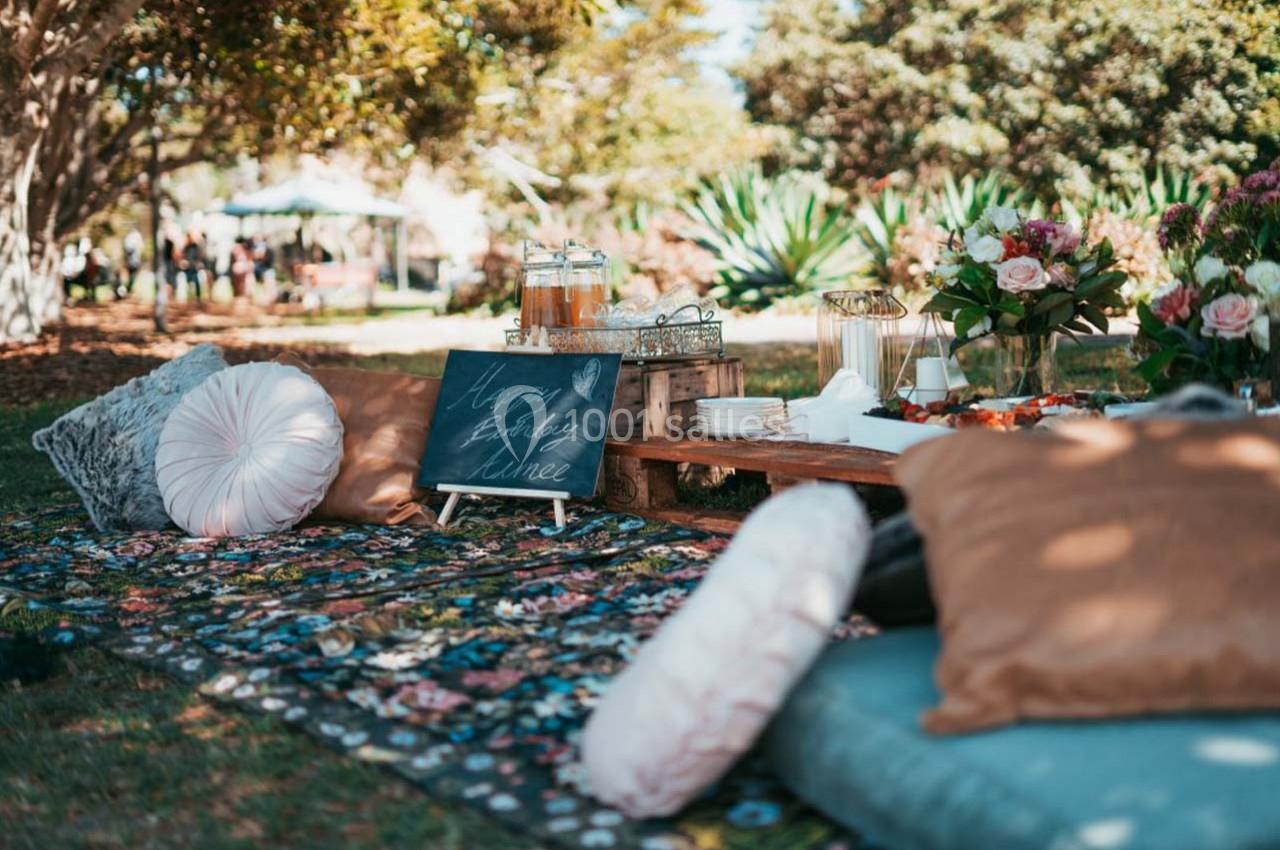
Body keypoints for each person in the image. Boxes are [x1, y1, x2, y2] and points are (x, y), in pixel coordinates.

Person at [120, 228, 143, 299]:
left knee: (133, 277)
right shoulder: (130, 240)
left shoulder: (132, 239)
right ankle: (126, 290)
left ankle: (127, 291)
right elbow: (128, 249)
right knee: (131, 277)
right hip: (131, 261)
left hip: (135, 260)